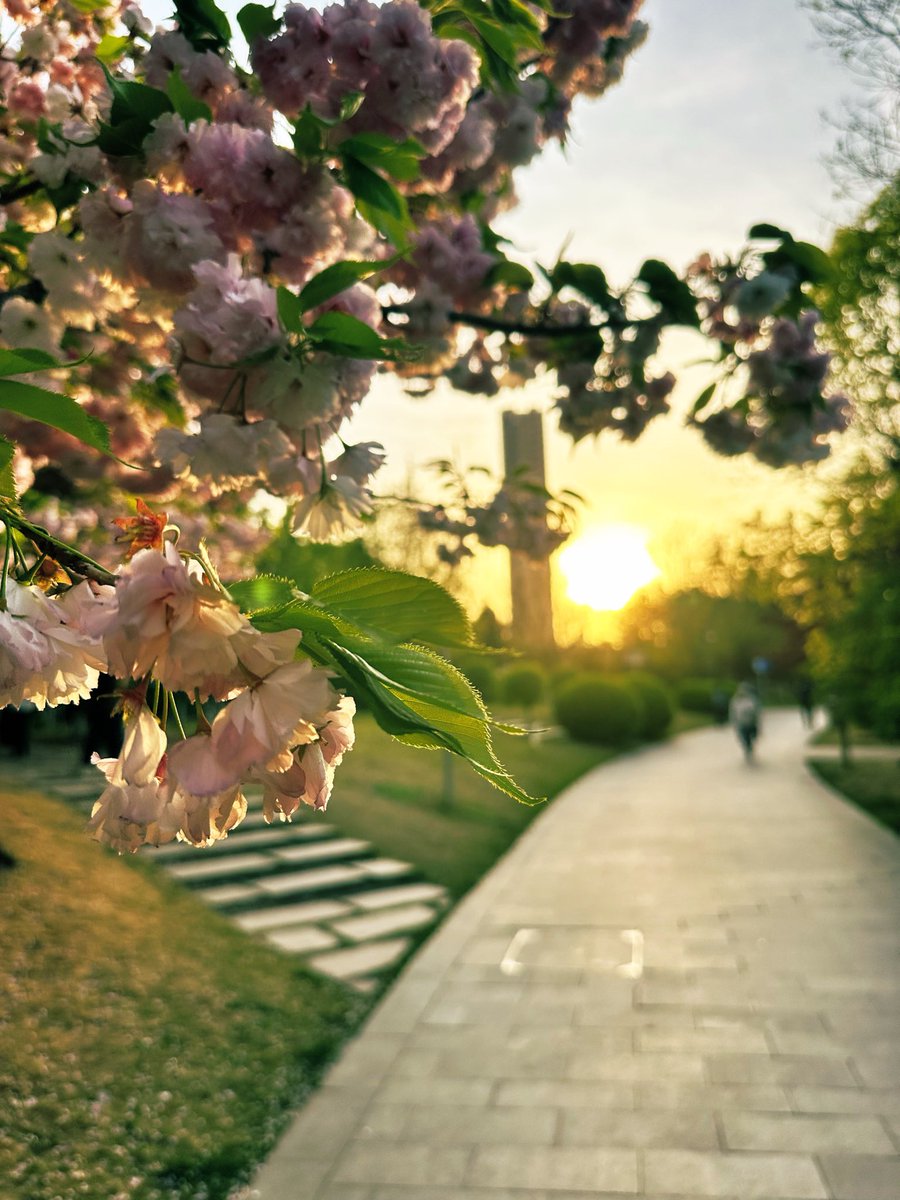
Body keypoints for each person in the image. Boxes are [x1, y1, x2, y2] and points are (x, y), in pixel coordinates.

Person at [729, 682, 761, 762]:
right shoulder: (736, 700)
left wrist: (757, 721)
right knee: (744, 738)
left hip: (751, 723)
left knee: (752, 736)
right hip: (742, 723)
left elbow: (757, 711)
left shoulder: (752, 699)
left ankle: (749, 747)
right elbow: (733, 713)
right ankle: (748, 748)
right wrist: (734, 722)